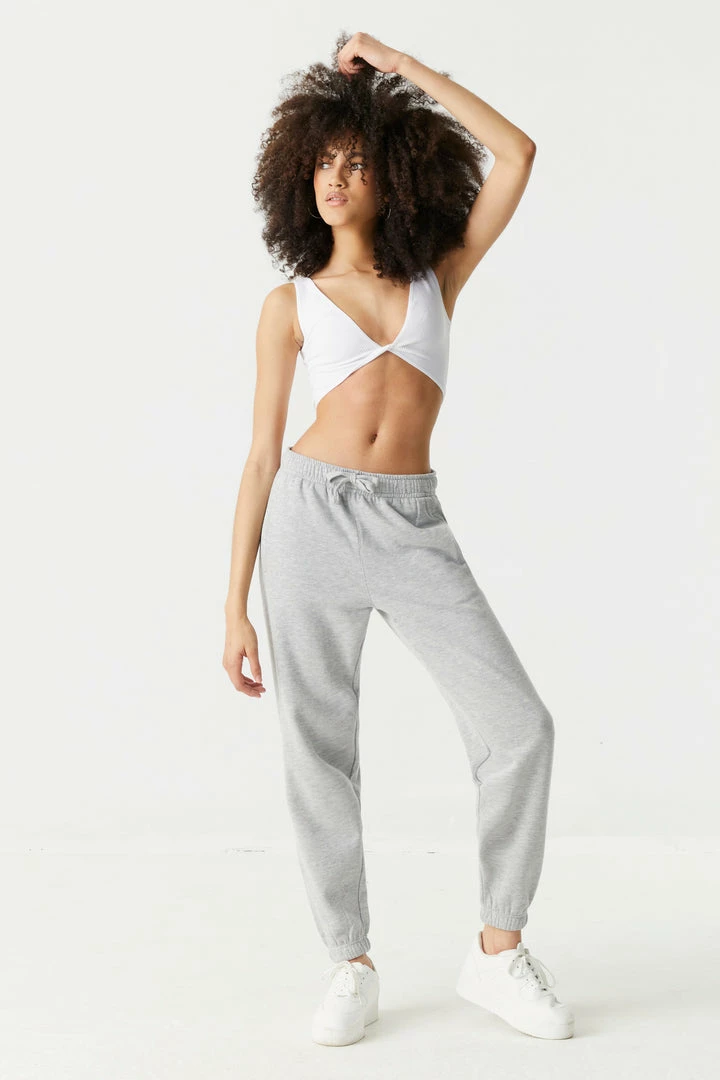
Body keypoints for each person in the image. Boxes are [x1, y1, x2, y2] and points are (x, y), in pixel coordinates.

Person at [223, 32, 575, 1045]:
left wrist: (398, 66)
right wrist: (233, 604)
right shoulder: (289, 305)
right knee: (318, 751)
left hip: (411, 522)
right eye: (322, 163)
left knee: (520, 728)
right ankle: (350, 962)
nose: (335, 179)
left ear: (393, 173)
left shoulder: (436, 279)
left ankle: (498, 953)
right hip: (308, 519)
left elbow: (518, 154)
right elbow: (260, 456)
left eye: (356, 161)